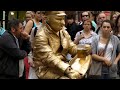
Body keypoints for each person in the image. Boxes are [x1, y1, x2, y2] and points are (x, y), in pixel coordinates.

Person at [33, 11, 84, 79]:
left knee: (85, 57)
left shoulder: (63, 31)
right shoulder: (41, 35)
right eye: (59, 19)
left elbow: (71, 47)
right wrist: (68, 70)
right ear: (47, 18)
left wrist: (83, 50)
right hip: (47, 70)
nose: (63, 23)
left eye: (63, 19)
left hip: (63, 66)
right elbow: (50, 58)